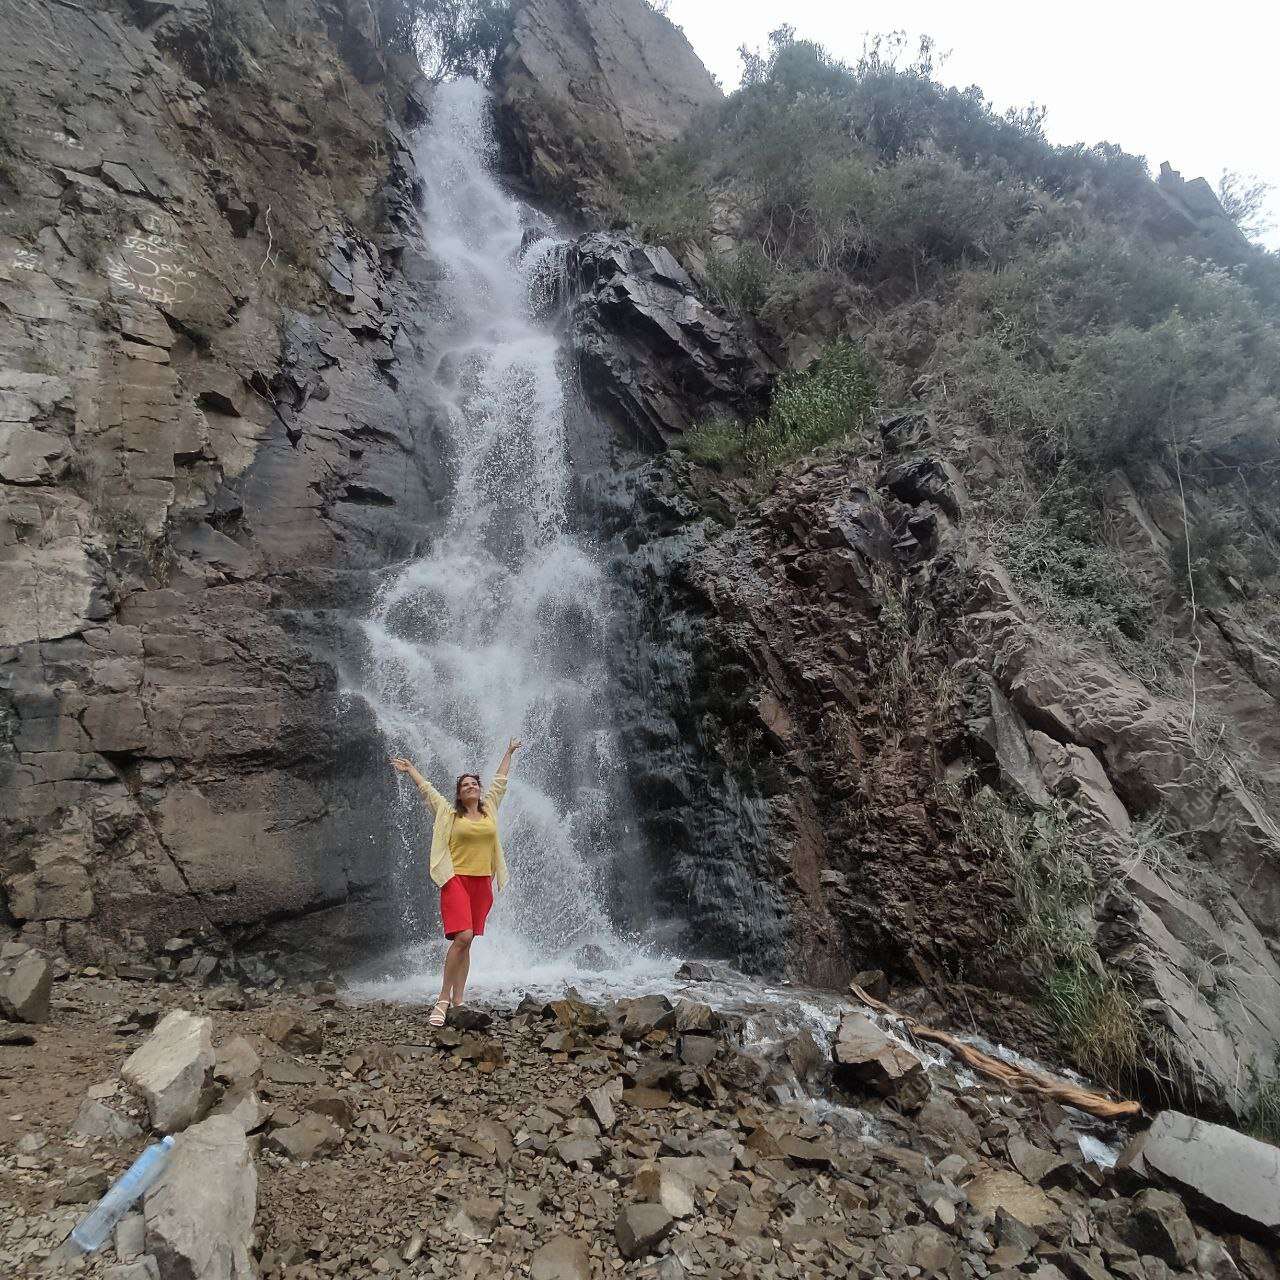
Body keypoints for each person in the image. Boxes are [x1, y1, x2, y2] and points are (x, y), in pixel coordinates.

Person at [391, 738, 521, 1027]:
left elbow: (500, 781)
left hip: (482, 884)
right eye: (465, 786)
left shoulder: (489, 811)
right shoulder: (449, 814)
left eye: (474, 784)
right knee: (462, 936)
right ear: (460, 796)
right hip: (455, 881)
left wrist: (508, 751)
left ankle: (460, 999)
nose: (471, 787)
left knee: (468, 942)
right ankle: (442, 999)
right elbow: (429, 791)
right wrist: (411, 768)